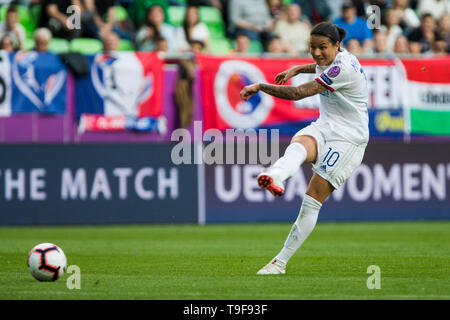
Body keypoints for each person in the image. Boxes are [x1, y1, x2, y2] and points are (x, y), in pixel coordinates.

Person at [239, 22, 369, 275]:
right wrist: (298, 67)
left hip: (349, 139)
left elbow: (299, 93)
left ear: (336, 46)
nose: (317, 53)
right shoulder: (339, 56)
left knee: (311, 200)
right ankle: (275, 176)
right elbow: (319, 65)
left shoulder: (343, 69)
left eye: (322, 48)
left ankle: (279, 263)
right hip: (327, 125)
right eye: (312, 47)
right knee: (299, 144)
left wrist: (261, 86)